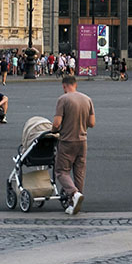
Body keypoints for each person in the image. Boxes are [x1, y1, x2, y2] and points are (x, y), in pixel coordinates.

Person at [52, 74, 95, 215]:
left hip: (67, 141)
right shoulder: (87, 99)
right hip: (82, 141)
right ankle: (74, 203)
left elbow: (57, 123)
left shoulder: (63, 99)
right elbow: (92, 123)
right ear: (75, 84)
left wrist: (53, 130)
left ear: (64, 86)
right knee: (79, 172)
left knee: (61, 171)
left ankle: (74, 194)